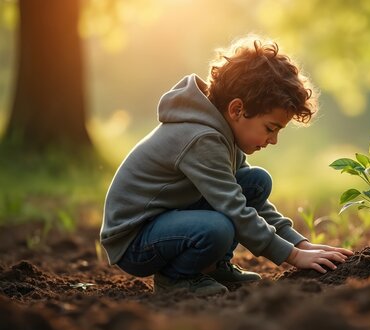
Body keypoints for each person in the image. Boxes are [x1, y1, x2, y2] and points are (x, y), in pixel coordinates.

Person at [99, 35, 353, 296]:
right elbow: (233, 207)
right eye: (270, 128)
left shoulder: (222, 133)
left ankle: (211, 266)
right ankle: (175, 279)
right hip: (135, 240)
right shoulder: (202, 138)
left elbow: (248, 199)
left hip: (166, 221)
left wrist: (300, 243)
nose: (273, 140)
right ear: (237, 110)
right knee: (218, 228)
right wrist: (292, 256)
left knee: (255, 182)